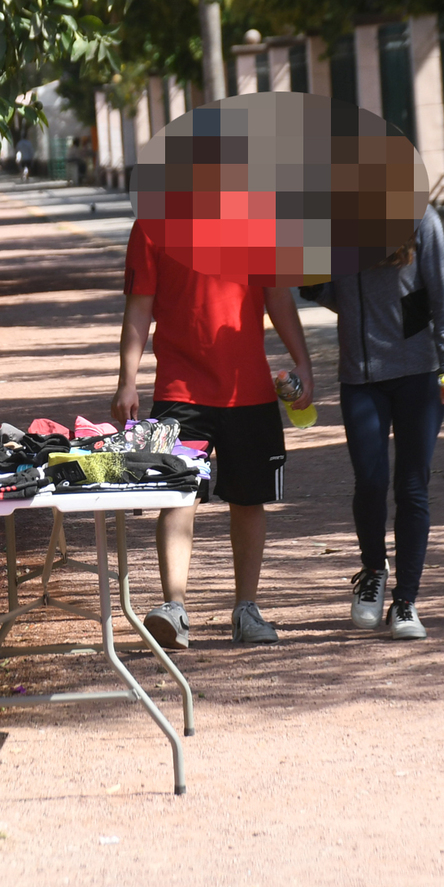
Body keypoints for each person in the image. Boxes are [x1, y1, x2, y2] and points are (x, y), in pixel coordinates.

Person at [112, 220, 315, 646]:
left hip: (250, 390)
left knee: (249, 499)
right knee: (178, 497)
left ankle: (247, 609)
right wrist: (127, 381)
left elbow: (278, 295)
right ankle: (174, 607)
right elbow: (139, 307)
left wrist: (303, 363)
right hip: (178, 391)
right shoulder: (151, 225)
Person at [302, 205, 444, 641]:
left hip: (418, 374)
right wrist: (314, 282)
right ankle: (373, 569)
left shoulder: (421, 219)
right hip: (361, 377)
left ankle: (406, 600)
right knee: (370, 481)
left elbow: (441, 295)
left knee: (412, 486)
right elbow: (336, 295)